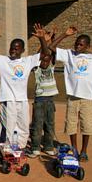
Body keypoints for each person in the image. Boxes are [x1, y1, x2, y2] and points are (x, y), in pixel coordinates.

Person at [48, 27, 92, 162]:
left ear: (88, 46)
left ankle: (84, 151)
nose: (77, 46)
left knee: (87, 126)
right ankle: (74, 149)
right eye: (76, 43)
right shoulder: (69, 55)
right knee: (71, 125)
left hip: (87, 98)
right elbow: (51, 46)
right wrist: (65, 34)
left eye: (81, 44)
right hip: (73, 97)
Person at [0, 27, 49, 150]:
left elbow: (46, 54)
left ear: (23, 50)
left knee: (24, 127)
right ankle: (4, 150)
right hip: (8, 100)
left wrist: (41, 39)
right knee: (9, 127)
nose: (13, 50)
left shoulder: (28, 61)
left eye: (16, 48)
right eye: (12, 47)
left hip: (22, 100)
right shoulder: (3, 60)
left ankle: (19, 149)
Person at [28, 24, 59, 158]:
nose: (45, 63)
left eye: (47, 60)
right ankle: (35, 147)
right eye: (43, 61)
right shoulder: (37, 69)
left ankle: (48, 146)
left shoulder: (51, 67)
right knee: (37, 124)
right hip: (39, 101)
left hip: (50, 100)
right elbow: (40, 54)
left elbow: (52, 51)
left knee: (50, 124)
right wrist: (43, 40)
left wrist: (52, 38)